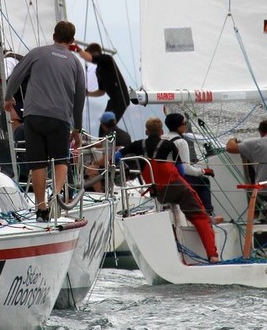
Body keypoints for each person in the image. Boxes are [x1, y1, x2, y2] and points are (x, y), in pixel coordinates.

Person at [3, 20, 86, 221]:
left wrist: (8, 97)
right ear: (72, 40)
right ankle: (56, 195)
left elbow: (16, 75)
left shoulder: (37, 53)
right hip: (60, 119)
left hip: (34, 116)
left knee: (37, 163)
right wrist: (77, 129)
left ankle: (41, 209)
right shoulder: (76, 63)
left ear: (53, 36)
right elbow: (79, 98)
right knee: (61, 159)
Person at [124, 117, 219, 263]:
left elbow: (119, 155)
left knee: (175, 206)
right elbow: (183, 170)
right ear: (161, 131)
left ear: (146, 131)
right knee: (201, 217)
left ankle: (173, 248)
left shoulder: (138, 145)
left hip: (157, 190)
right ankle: (212, 255)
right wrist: (203, 171)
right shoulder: (176, 143)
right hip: (175, 186)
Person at [163, 113, 214, 213]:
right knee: (204, 181)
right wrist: (204, 171)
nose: (186, 125)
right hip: (176, 179)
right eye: (185, 123)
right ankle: (207, 212)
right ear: (178, 126)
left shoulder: (162, 138)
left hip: (163, 179)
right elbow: (186, 169)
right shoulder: (181, 142)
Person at [78, 43, 135, 122]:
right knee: (104, 124)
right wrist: (88, 93)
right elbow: (101, 92)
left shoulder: (107, 59)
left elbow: (89, 58)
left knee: (108, 123)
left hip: (121, 98)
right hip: (113, 99)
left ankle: (112, 132)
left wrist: (77, 49)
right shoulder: (98, 70)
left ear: (95, 53)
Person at [85, 111, 132, 192]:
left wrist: (93, 163)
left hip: (117, 167)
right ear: (115, 121)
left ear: (103, 125)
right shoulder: (125, 135)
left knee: (90, 170)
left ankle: (101, 194)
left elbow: (105, 159)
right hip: (129, 167)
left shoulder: (108, 136)